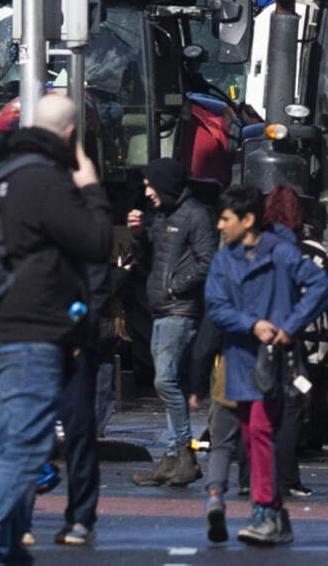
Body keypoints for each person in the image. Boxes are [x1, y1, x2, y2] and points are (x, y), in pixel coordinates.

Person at [0, 89, 120, 565]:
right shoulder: (45, 182)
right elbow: (97, 242)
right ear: (73, 136)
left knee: (12, 442)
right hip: (33, 333)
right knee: (24, 449)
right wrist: (91, 186)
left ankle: (8, 547)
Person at [203, 187, 328, 548]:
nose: (219, 225)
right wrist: (251, 323)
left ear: (247, 220)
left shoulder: (282, 253)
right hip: (242, 357)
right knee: (251, 434)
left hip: (270, 361)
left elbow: (319, 285)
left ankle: (264, 510)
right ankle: (276, 513)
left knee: (259, 431)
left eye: (225, 219)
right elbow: (215, 304)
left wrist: (289, 326)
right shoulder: (225, 259)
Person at [139, 159, 219, 484]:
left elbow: (207, 260)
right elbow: (159, 252)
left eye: (150, 185)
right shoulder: (167, 214)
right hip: (162, 309)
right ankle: (172, 457)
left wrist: (175, 284)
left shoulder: (196, 215)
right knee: (173, 382)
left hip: (180, 310)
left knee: (165, 381)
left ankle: (184, 452)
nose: (147, 192)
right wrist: (141, 231)